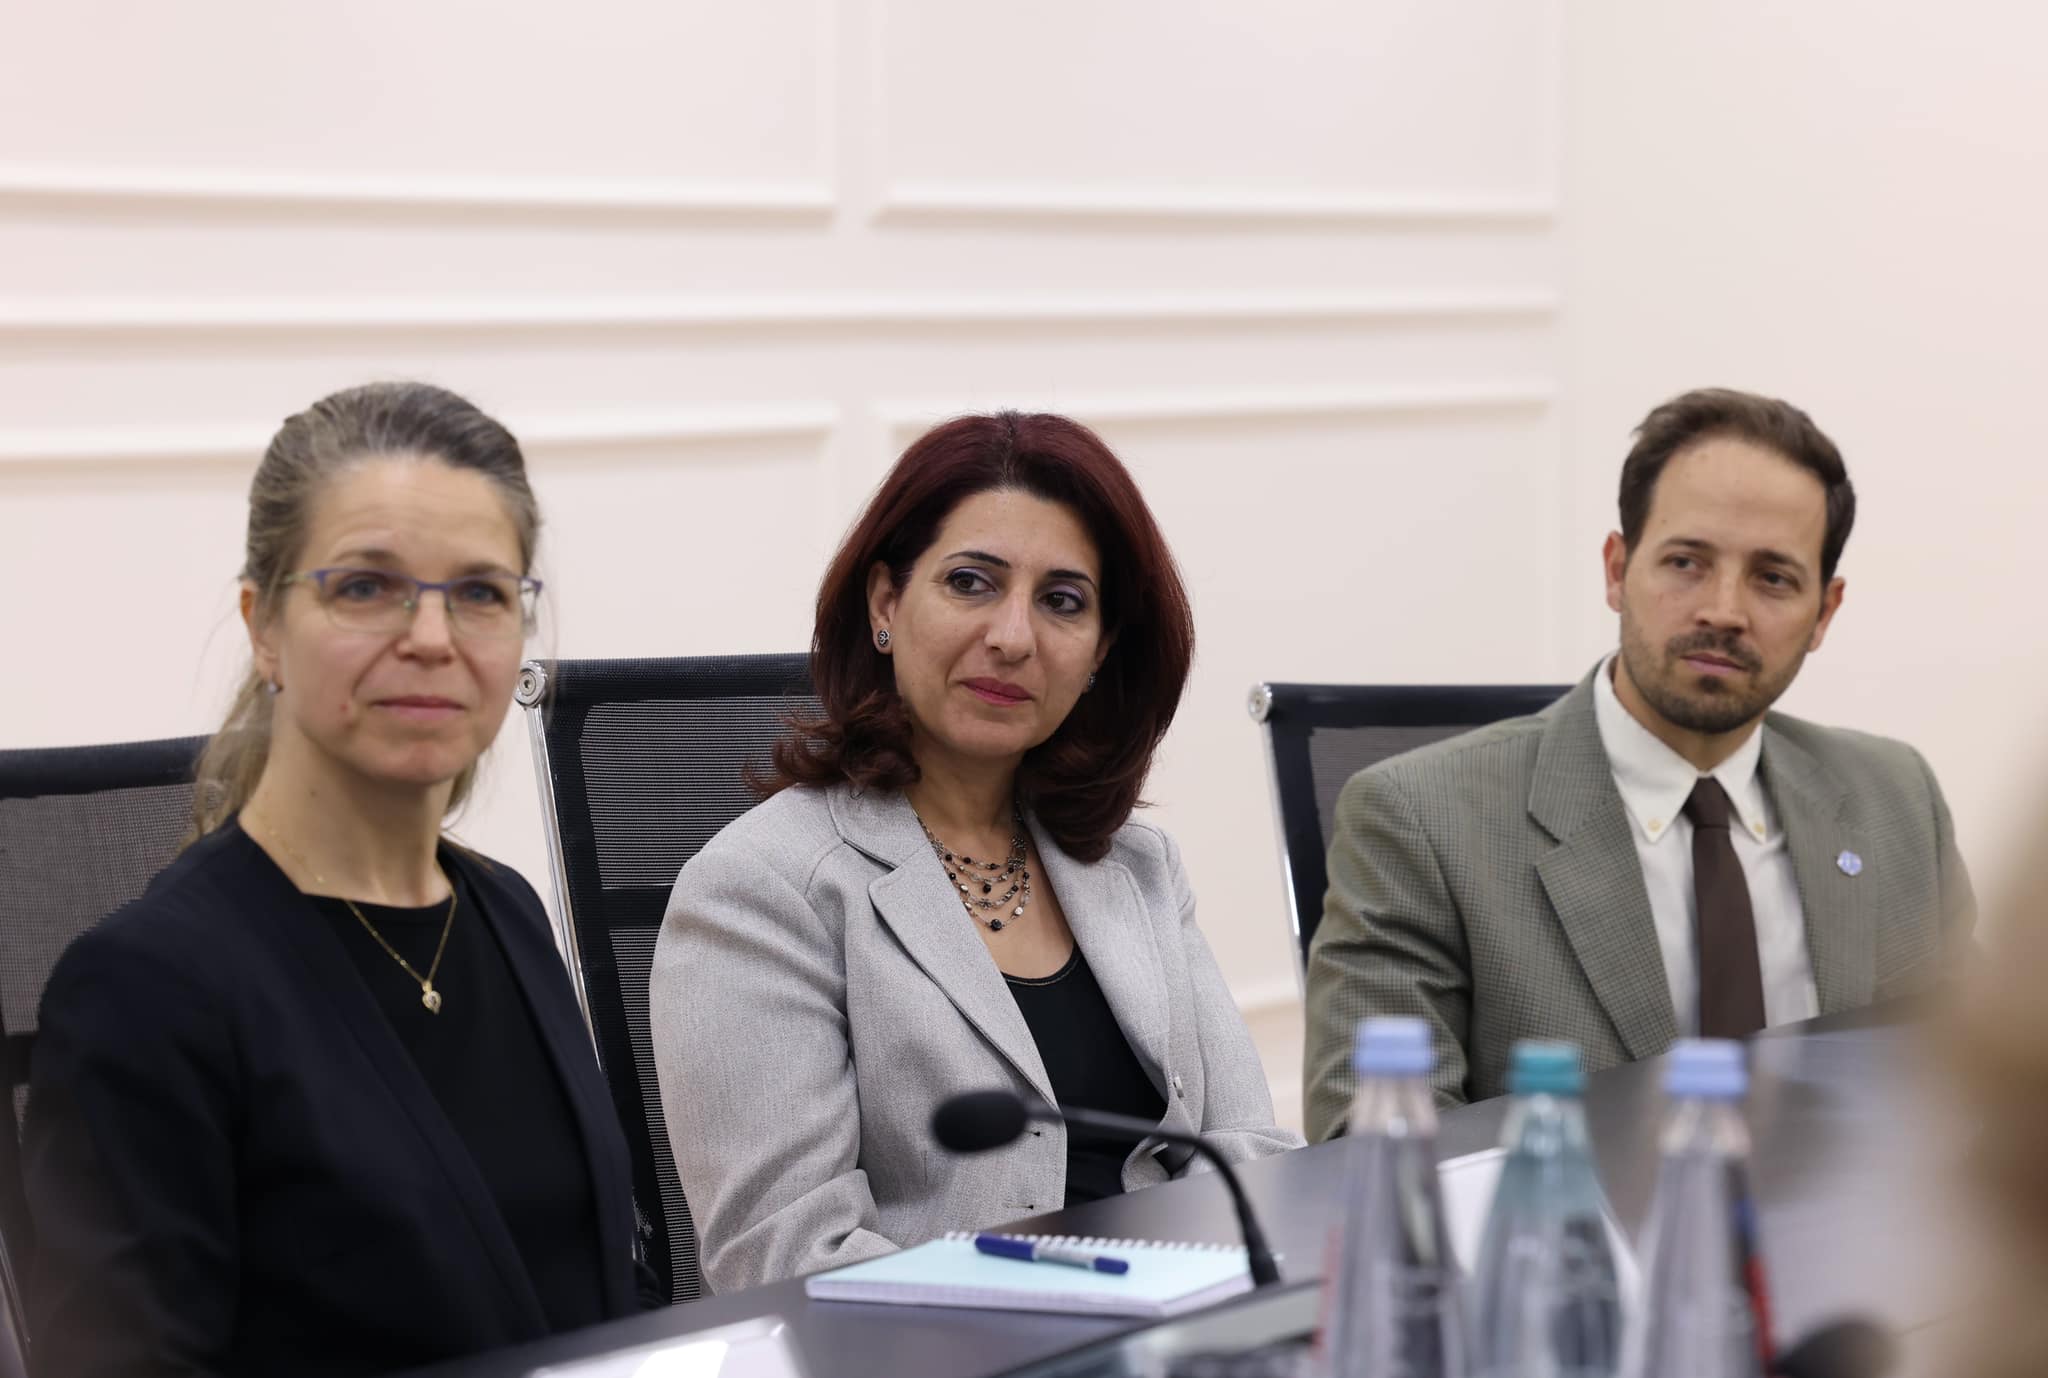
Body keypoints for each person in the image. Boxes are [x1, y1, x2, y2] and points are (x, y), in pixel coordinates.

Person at [24, 383, 647, 1377]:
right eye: (365, 586)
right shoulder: (144, 992)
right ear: (263, 625)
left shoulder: (507, 912)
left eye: (481, 592)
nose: (433, 637)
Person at [652, 411, 1299, 1293]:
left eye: (1062, 601)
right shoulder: (760, 889)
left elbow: (1249, 1150)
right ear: (885, 605)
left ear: (1102, 651)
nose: (1013, 637)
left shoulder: (1137, 863)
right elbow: (788, 1257)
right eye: (970, 583)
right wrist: (1090, 1307)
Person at [1302, 387, 1972, 1136]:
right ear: (1617, 570)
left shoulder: (1895, 799)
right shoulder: (1420, 820)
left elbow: (1984, 1088)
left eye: (1773, 578)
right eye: (1686, 562)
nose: (1723, 610)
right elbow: (1378, 1152)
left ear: (1824, 612)